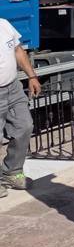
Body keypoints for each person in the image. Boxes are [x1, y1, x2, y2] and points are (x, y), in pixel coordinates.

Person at [0, 16, 42, 197]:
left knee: (24, 126)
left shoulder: (4, 24)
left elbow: (18, 50)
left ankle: (11, 171)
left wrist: (32, 76)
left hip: (13, 87)